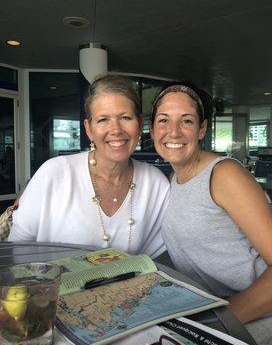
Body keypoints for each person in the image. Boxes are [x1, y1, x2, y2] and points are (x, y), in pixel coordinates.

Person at [150, 82, 272, 345]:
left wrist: (211, 326)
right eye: (164, 120)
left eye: (187, 121)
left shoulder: (224, 174)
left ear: (202, 129)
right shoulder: (175, 178)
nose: (174, 132)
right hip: (228, 313)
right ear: (153, 128)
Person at [9, 75, 169, 258]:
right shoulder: (54, 174)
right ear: (88, 129)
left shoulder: (155, 184)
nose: (116, 129)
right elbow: (16, 250)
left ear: (140, 125)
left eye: (125, 117)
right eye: (103, 120)